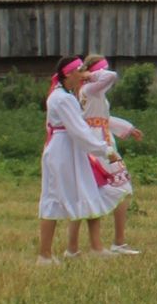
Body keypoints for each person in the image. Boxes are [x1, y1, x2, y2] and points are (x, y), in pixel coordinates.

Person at [37, 57, 127, 265]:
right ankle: (45, 254)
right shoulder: (63, 98)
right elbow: (79, 131)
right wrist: (105, 150)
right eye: (79, 71)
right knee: (55, 197)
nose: (83, 74)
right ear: (68, 74)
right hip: (63, 150)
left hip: (64, 148)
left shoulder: (62, 95)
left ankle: (61, 251)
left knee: (69, 194)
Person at [76, 55, 144, 255]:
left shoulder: (92, 94)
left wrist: (128, 128)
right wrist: (90, 74)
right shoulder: (90, 88)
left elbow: (102, 119)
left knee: (104, 190)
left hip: (101, 139)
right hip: (99, 144)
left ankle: (110, 242)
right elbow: (110, 76)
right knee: (119, 188)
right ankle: (116, 242)